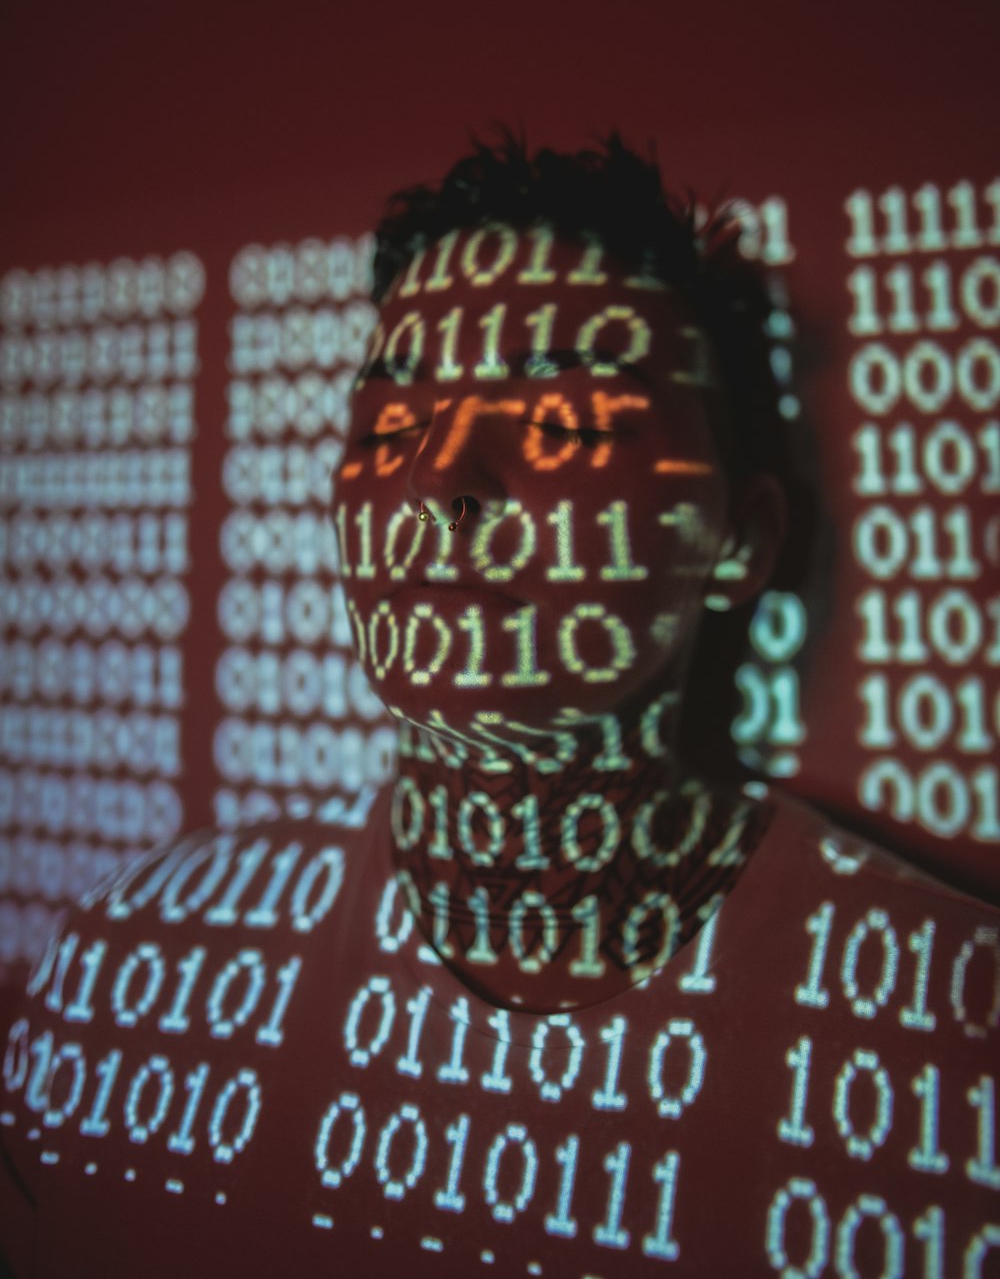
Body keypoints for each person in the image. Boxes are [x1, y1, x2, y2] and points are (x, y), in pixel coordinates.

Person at [1, 134, 997, 1278]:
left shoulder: (948, 1055)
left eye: (564, 421)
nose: (437, 476)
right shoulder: (137, 973)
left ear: (740, 539)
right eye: (390, 422)